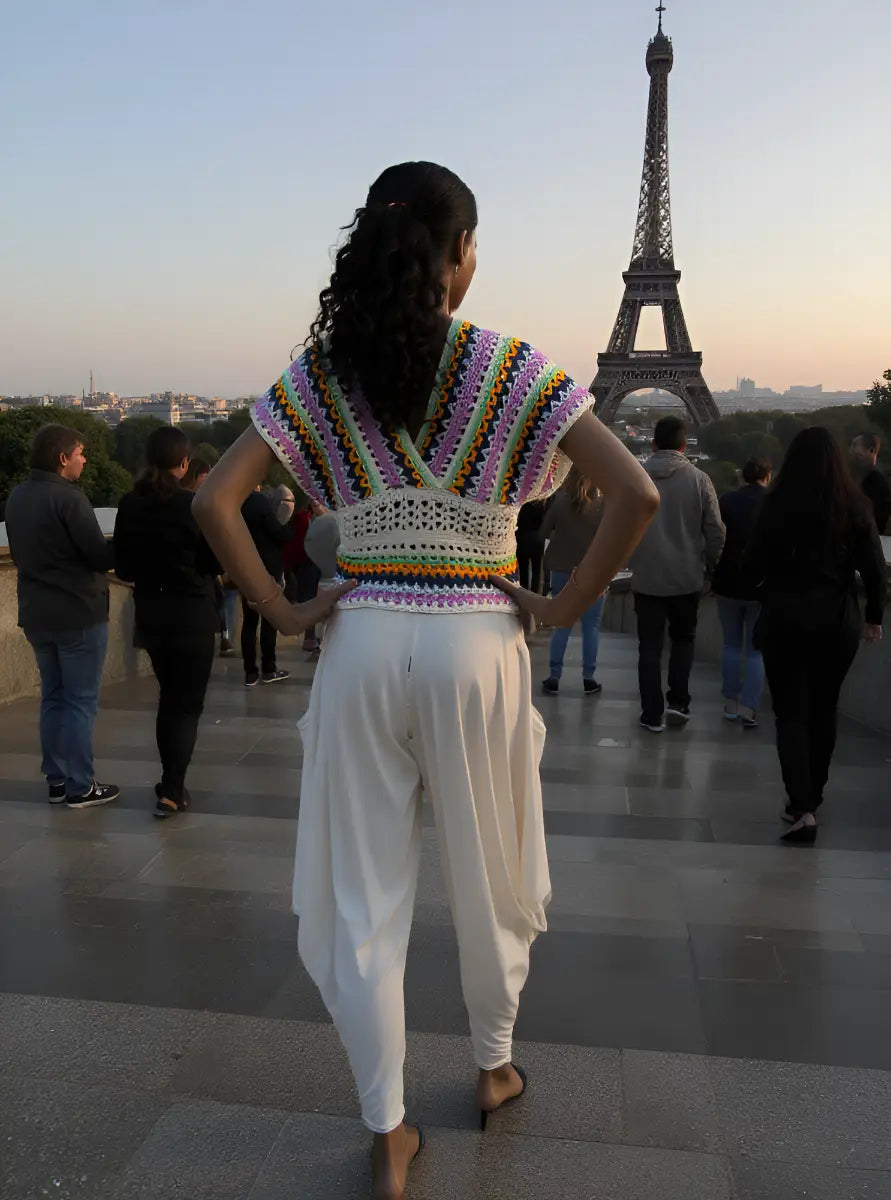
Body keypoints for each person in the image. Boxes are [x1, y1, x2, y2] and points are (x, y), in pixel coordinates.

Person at [194, 161, 657, 1200]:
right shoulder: (513, 369)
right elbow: (633, 493)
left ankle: (386, 1128)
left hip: (362, 644)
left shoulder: (317, 376)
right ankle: (493, 1067)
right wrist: (563, 604)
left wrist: (286, 608)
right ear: (461, 253)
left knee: (363, 895)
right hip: (479, 644)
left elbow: (216, 503)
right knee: (491, 871)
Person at [745, 427, 886, 845]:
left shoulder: (775, 506)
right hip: (836, 621)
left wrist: (768, 590)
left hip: (786, 619)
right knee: (825, 709)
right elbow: (876, 571)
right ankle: (814, 796)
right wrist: (874, 617)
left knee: (790, 712)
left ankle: (800, 804)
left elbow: (751, 569)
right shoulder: (856, 507)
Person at [5, 425, 119, 808]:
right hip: (78, 613)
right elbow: (98, 556)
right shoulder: (69, 499)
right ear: (62, 458)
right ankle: (80, 785)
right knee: (81, 702)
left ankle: (56, 780)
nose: (84, 459)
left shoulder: (17, 496)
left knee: (53, 698)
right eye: (80, 453)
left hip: (37, 613)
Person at [113, 427, 219, 818]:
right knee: (186, 705)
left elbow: (122, 564)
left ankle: (170, 783)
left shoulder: (129, 504)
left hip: (152, 613)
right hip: (192, 613)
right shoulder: (192, 505)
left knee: (169, 700)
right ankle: (173, 787)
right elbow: (215, 562)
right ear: (184, 463)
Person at [630, 416, 725, 732]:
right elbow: (715, 533)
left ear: (653, 444)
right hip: (687, 578)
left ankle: (651, 713)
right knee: (684, 642)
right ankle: (679, 702)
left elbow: (618, 528)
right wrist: (713, 569)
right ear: (684, 446)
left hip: (647, 578)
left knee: (649, 648)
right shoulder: (700, 480)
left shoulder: (635, 479)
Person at [711, 457, 771, 727]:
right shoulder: (775, 504)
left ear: (742, 477)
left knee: (731, 645)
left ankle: (730, 703)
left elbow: (715, 537)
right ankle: (749, 708)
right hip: (761, 584)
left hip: (728, 581)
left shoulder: (727, 501)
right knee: (756, 651)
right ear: (767, 477)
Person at [539, 467, 605, 696]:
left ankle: (554, 677)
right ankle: (589, 678)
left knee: (562, 624)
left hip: (560, 569)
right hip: (593, 573)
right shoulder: (600, 507)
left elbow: (543, 532)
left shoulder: (559, 503)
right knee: (591, 627)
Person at [240, 485, 292, 686]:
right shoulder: (261, 503)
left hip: (245, 568)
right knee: (269, 622)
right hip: (268, 569)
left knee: (249, 623)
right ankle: (269, 668)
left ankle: (250, 672)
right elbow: (278, 533)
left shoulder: (237, 503)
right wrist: (288, 525)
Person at [850, 432, 890, 534]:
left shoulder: (878, 483)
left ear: (871, 450)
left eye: (854, 445)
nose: (851, 450)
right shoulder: (852, 476)